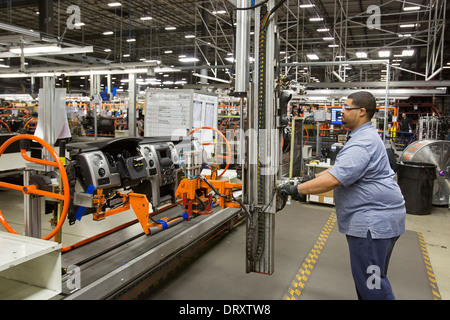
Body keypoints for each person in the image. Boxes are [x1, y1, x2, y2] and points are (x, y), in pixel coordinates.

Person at [279, 91, 406, 300]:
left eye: (347, 108)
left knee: (372, 284)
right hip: (380, 220)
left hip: (371, 224)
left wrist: (296, 190)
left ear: (362, 112)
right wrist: (306, 181)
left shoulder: (362, 142)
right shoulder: (363, 136)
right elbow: (338, 169)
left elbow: (335, 179)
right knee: (370, 280)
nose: (342, 112)